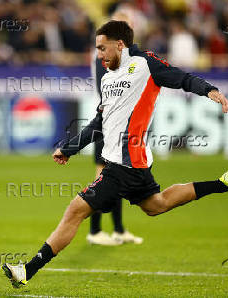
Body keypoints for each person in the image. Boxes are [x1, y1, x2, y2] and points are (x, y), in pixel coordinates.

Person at [2, 20, 228, 288]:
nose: (99, 55)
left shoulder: (145, 63)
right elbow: (99, 123)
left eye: (102, 49)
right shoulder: (109, 78)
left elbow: (180, 77)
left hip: (125, 163)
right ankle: (225, 182)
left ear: (119, 44)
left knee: (75, 210)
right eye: (97, 50)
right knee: (156, 205)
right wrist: (69, 148)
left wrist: (209, 89)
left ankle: (27, 270)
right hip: (132, 162)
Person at [87, 52, 143, 246]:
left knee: (116, 177)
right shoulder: (103, 57)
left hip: (119, 123)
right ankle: (94, 230)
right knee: (102, 177)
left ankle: (118, 229)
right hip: (108, 122)